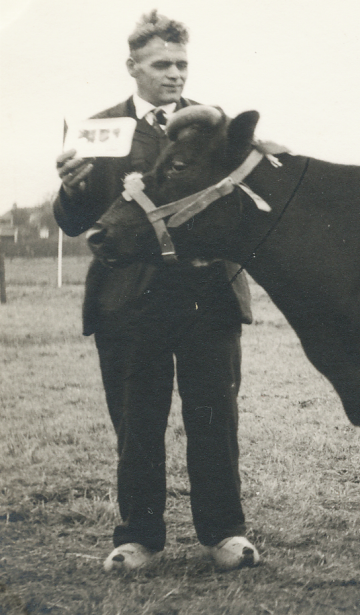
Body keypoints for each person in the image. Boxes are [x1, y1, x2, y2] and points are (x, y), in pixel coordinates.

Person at [53, 10, 260, 572]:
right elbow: (74, 221)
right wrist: (70, 189)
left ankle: (224, 535)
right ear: (133, 67)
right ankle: (139, 538)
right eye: (162, 64)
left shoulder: (213, 130)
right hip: (128, 300)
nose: (175, 74)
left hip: (207, 296)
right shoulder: (97, 131)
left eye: (182, 64)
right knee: (137, 423)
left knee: (215, 416)